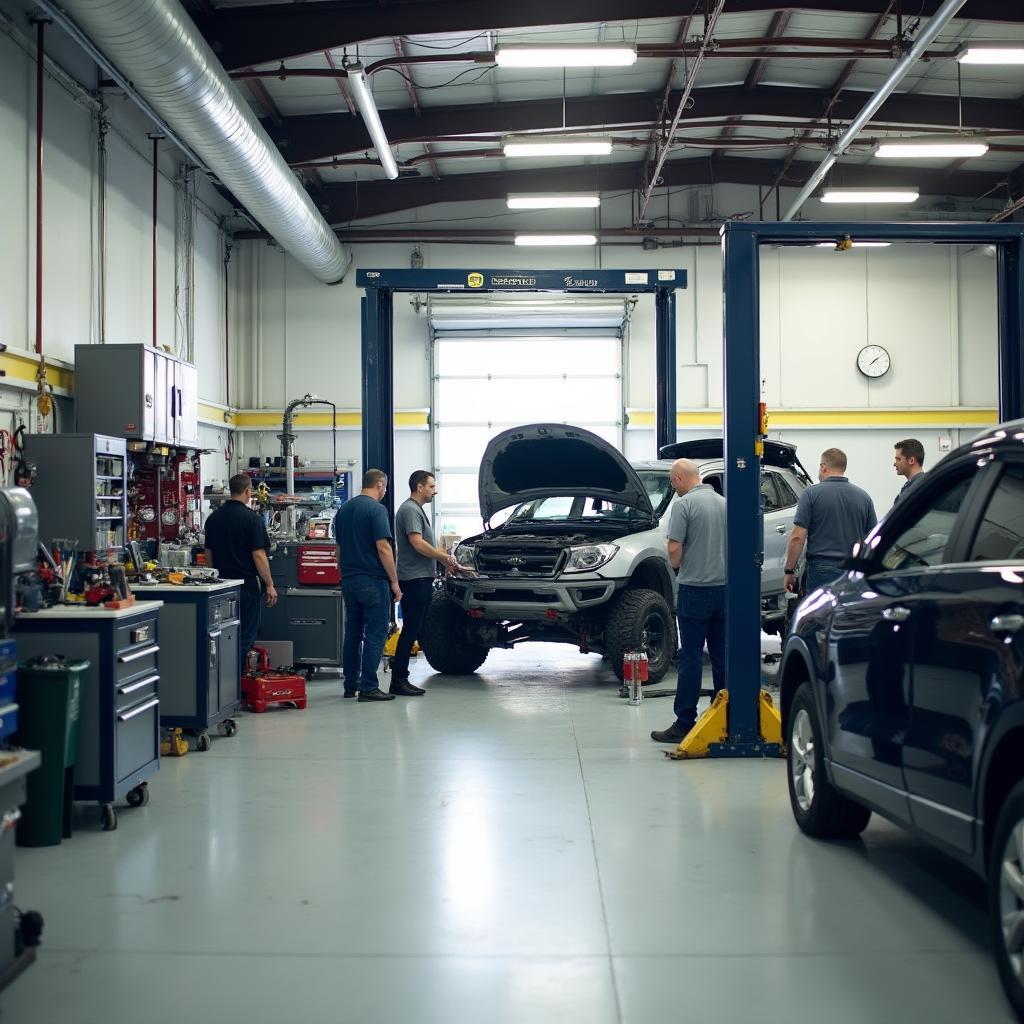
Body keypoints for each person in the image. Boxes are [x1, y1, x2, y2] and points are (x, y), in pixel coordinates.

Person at [651, 458, 727, 745]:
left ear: (681, 479)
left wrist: (679, 566)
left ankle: (685, 723)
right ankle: (725, 717)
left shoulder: (684, 505)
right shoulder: (723, 503)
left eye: (672, 483)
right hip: (724, 590)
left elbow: (674, 550)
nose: (674, 488)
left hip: (695, 590)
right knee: (721, 656)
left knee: (691, 657)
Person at [336, 469, 402, 702]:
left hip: (349, 580)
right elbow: (383, 547)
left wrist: (344, 573)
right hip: (372, 580)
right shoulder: (376, 509)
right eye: (384, 488)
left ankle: (350, 685)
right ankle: (369, 687)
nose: (384, 492)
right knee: (376, 632)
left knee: (353, 632)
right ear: (380, 485)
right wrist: (394, 581)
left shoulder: (344, 509)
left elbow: (339, 548)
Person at [390, 471, 458, 697]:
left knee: (414, 629)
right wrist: (442, 557)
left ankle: (399, 678)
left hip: (420, 577)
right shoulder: (410, 510)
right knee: (411, 629)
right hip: (414, 579)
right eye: (431, 486)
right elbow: (417, 543)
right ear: (419, 487)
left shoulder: (416, 510)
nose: (434, 490)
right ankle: (398, 680)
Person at [203, 473, 278, 659]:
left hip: (222, 587)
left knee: (223, 634)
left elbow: (208, 554)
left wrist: (216, 579)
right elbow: (259, 555)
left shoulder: (213, 519)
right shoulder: (252, 519)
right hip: (246, 587)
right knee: (245, 638)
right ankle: (239, 682)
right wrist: (269, 584)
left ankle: (226, 682)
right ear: (248, 491)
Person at [784, 448, 876, 597]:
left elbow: (797, 537)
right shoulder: (864, 497)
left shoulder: (811, 494)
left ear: (823, 466)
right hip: (853, 571)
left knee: (819, 616)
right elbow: (872, 540)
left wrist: (789, 571)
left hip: (821, 569)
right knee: (849, 615)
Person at [893, 438, 926, 505]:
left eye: (898, 459)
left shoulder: (917, 488)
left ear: (911, 460)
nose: (894, 464)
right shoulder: (913, 486)